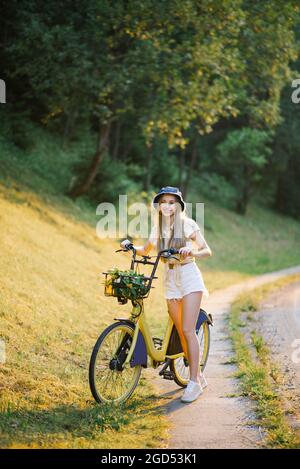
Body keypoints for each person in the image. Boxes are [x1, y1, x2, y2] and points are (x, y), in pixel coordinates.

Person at [120, 186, 212, 403]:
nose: (168, 206)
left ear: (178, 205)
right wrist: (131, 246)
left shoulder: (187, 225)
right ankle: (198, 374)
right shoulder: (157, 227)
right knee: (180, 331)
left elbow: (206, 250)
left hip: (189, 277)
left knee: (189, 329)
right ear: (159, 206)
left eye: (172, 202)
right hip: (170, 281)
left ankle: (194, 383)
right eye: (164, 202)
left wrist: (192, 251)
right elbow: (146, 249)